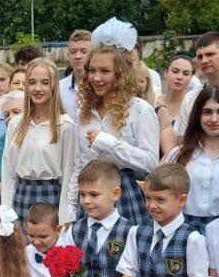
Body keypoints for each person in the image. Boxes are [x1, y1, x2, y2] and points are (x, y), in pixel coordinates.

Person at [68, 40, 159, 225]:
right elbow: (79, 164)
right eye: (92, 70)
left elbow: (150, 162)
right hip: (88, 196)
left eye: (105, 71)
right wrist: (70, 208)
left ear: (120, 74)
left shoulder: (140, 109)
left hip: (123, 193)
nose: (96, 78)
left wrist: (107, 143)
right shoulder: (85, 111)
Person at [1, 57, 76, 224]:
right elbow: (8, 171)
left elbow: (68, 176)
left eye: (45, 83)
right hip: (21, 196)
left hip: (50, 196)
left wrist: (66, 217)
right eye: (32, 82)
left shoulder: (64, 125)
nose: (38, 88)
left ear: (54, 85)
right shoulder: (15, 124)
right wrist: (6, 212)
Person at [167, 84, 219, 231]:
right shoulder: (178, 155)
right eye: (207, 112)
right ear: (198, 115)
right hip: (184, 229)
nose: (214, 119)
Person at [64, 160, 132, 277]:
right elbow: (68, 272)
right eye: (82, 194)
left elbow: (131, 271)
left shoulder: (129, 231)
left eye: (94, 195)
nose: (86, 201)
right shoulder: (75, 230)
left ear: (115, 194)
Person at [175, 33, 219, 142]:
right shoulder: (191, 97)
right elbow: (183, 141)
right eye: (200, 57)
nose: (204, 61)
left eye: (210, 54)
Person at [155, 54, 195, 155]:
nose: (179, 77)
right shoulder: (153, 102)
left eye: (186, 74)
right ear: (165, 73)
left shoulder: (192, 107)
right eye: (175, 71)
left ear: (191, 78)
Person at [59, 30, 92, 122]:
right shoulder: (58, 88)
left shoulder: (100, 87)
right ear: (68, 56)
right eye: (73, 52)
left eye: (83, 51)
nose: (78, 56)